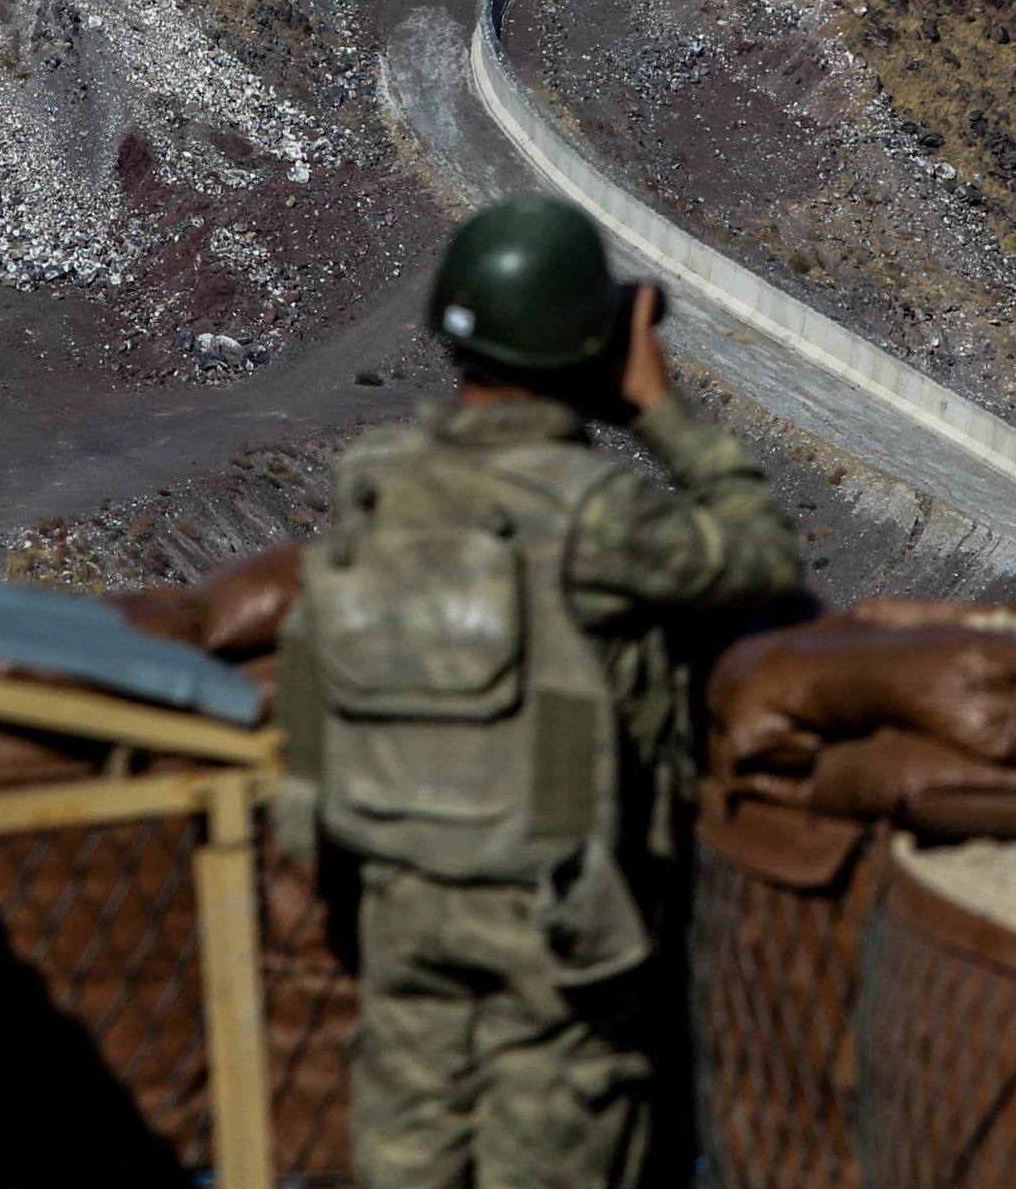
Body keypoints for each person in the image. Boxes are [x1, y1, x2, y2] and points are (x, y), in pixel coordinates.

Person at [280, 194, 805, 1189]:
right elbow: (762, 550)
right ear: (587, 347)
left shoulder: (376, 477)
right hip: (552, 913)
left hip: (394, 885)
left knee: (403, 1155)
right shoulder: (590, 512)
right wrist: (658, 407)